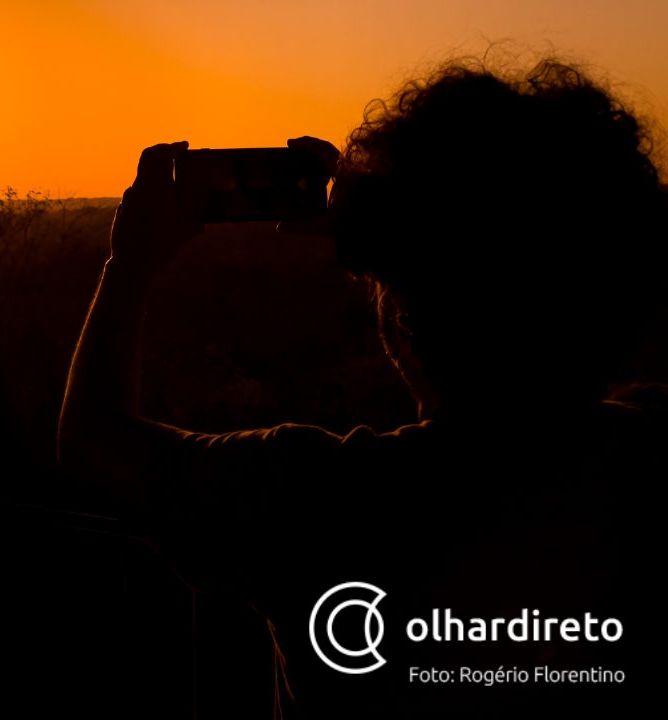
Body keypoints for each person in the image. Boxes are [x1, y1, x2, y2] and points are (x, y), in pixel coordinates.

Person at [58, 57, 666, 717]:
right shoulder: (647, 455)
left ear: (407, 312)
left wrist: (131, 263)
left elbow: (93, 444)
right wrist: (397, 247)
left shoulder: (318, 495)